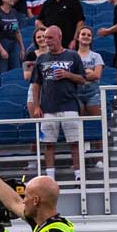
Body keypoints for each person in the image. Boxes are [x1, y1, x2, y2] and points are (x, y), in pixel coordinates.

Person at [32, 25, 87, 181]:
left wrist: (67, 74)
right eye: (45, 38)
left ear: (59, 37)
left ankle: (78, 176)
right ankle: (50, 178)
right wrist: (36, 106)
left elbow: (82, 79)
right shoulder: (41, 59)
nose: (46, 41)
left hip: (69, 105)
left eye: (50, 37)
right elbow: (36, 84)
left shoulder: (73, 56)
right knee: (48, 143)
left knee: (74, 142)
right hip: (48, 107)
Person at [0, 0, 25, 72]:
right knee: (3, 69)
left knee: (16, 69)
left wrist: (22, 48)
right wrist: (1, 50)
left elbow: (16, 31)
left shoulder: (13, 11)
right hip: (1, 42)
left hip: (13, 43)